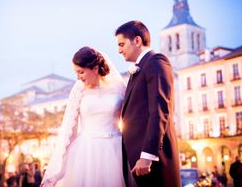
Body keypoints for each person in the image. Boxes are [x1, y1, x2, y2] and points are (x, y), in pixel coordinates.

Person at [41, 46, 126, 187]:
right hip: (85, 152)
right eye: (76, 72)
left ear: (95, 68)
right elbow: (70, 132)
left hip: (115, 150)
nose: (78, 77)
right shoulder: (79, 89)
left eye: (81, 72)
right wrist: (59, 172)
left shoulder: (119, 88)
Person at [115, 20, 181, 187]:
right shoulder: (140, 67)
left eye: (122, 44)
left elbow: (159, 110)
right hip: (139, 161)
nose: (119, 50)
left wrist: (147, 155)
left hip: (155, 161)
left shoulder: (156, 61)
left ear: (137, 41)